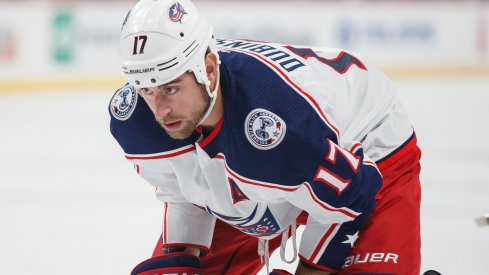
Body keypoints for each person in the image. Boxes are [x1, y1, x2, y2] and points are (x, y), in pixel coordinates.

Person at [109, 0, 422, 274]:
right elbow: (182, 190)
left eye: (171, 88)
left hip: (365, 153)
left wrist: (309, 271)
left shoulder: (280, 127)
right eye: (147, 90)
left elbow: (353, 194)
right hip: (276, 167)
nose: (160, 111)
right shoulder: (136, 119)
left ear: (208, 69)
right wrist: (183, 255)